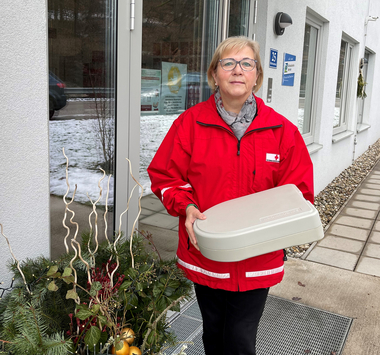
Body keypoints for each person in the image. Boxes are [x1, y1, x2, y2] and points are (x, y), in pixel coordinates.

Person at [148, 36, 313, 355]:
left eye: (247, 63)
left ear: (257, 76)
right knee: (213, 333)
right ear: (214, 75)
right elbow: (166, 176)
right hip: (207, 252)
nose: (238, 70)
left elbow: (299, 194)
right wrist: (187, 207)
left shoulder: (282, 133)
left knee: (239, 339)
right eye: (228, 63)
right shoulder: (189, 125)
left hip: (257, 259)